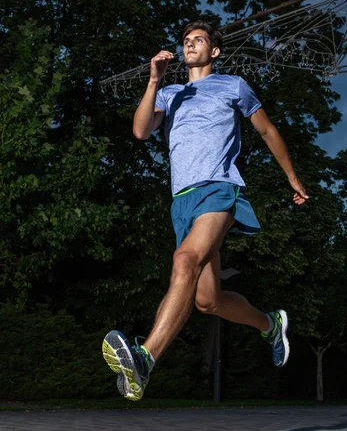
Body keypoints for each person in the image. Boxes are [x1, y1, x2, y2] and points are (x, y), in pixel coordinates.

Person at [102, 20, 308, 401]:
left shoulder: (233, 86)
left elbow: (266, 131)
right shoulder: (170, 94)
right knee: (207, 301)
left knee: (184, 260)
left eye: (198, 40)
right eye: (186, 40)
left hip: (219, 188)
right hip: (182, 199)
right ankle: (270, 324)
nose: (190, 44)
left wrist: (292, 178)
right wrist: (153, 81)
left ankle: (145, 359)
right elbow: (140, 131)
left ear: (213, 51)